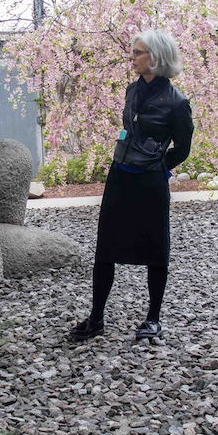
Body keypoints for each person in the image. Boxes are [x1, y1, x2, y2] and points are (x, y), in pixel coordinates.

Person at [68, 29, 194, 343]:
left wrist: (161, 166)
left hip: (150, 182)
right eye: (134, 51)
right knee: (105, 247)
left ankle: (153, 319)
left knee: (155, 249)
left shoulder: (178, 103)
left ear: (156, 58)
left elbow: (183, 146)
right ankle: (96, 318)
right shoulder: (131, 91)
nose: (132, 57)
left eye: (138, 52)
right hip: (119, 177)